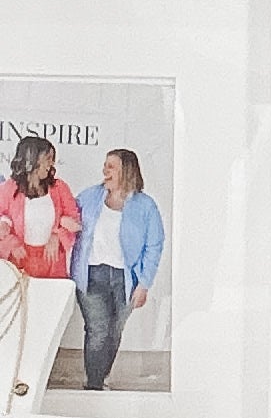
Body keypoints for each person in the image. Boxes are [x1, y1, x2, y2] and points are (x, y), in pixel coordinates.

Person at [70, 149, 164, 394]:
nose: (105, 170)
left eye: (111, 166)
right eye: (105, 165)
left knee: (114, 331)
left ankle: (101, 377)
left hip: (126, 280)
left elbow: (154, 246)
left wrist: (144, 284)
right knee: (97, 330)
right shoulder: (89, 197)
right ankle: (94, 384)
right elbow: (67, 218)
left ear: (126, 170)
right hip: (92, 275)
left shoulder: (145, 206)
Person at [1, 138, 82, 285]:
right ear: (32, 158)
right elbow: (2, 221)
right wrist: (12, 243)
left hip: (52, 262)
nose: (51, 164)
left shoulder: (60, 187)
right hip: (19, 263)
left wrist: (57, 235)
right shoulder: (8, 188)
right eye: (48, 158)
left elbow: (74, 220)